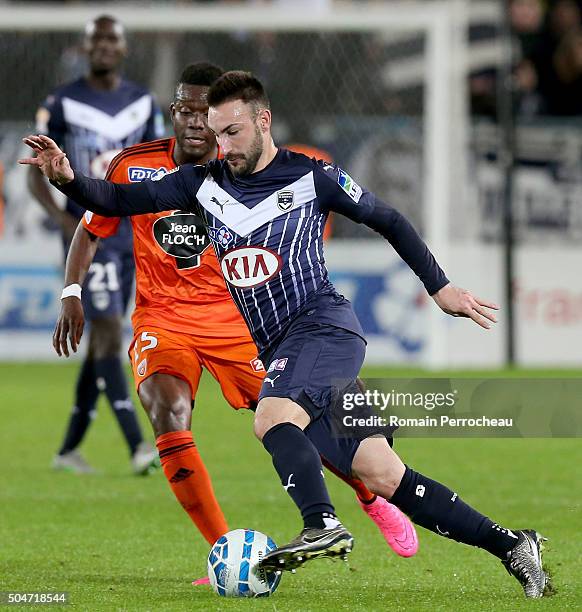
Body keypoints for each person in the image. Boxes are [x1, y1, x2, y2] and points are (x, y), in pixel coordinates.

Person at [20, 71, 550, 598]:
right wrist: (65, 177)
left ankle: (321, 522)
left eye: (231, 133)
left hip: (324, 328)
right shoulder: (200, 185)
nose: (220, 145)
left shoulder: (313, 176)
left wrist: (440, 287)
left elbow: (388, 219)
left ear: (262, 120)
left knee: (272, 417)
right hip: (280, 346)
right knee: (384, 474)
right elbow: (110, 200)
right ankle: (514, 546)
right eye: (214, 132)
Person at [52, 62, 418, 559]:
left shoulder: (241, 175)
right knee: (167, 410)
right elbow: (96, 220)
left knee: (300, 421)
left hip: (238, 322)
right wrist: (72, 292)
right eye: (187, 111)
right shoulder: (132, 165)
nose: (197, 123)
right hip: (163, 320)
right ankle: (223, 548)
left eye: (209, 115)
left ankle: (370, 495)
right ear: (174, 114)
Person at [27, 15, 164, 474]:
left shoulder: (142, 103)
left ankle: (67, 451)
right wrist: (63, 220)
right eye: (96, 39)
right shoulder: (62, 102)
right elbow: (34, 172)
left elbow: (159, 168)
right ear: (84, 48)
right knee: (106, 332)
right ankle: (138, 447)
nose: (104, 46)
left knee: (101, 338)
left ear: (124, 49)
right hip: (89, 236)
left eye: (112, 39)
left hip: (130, 237)